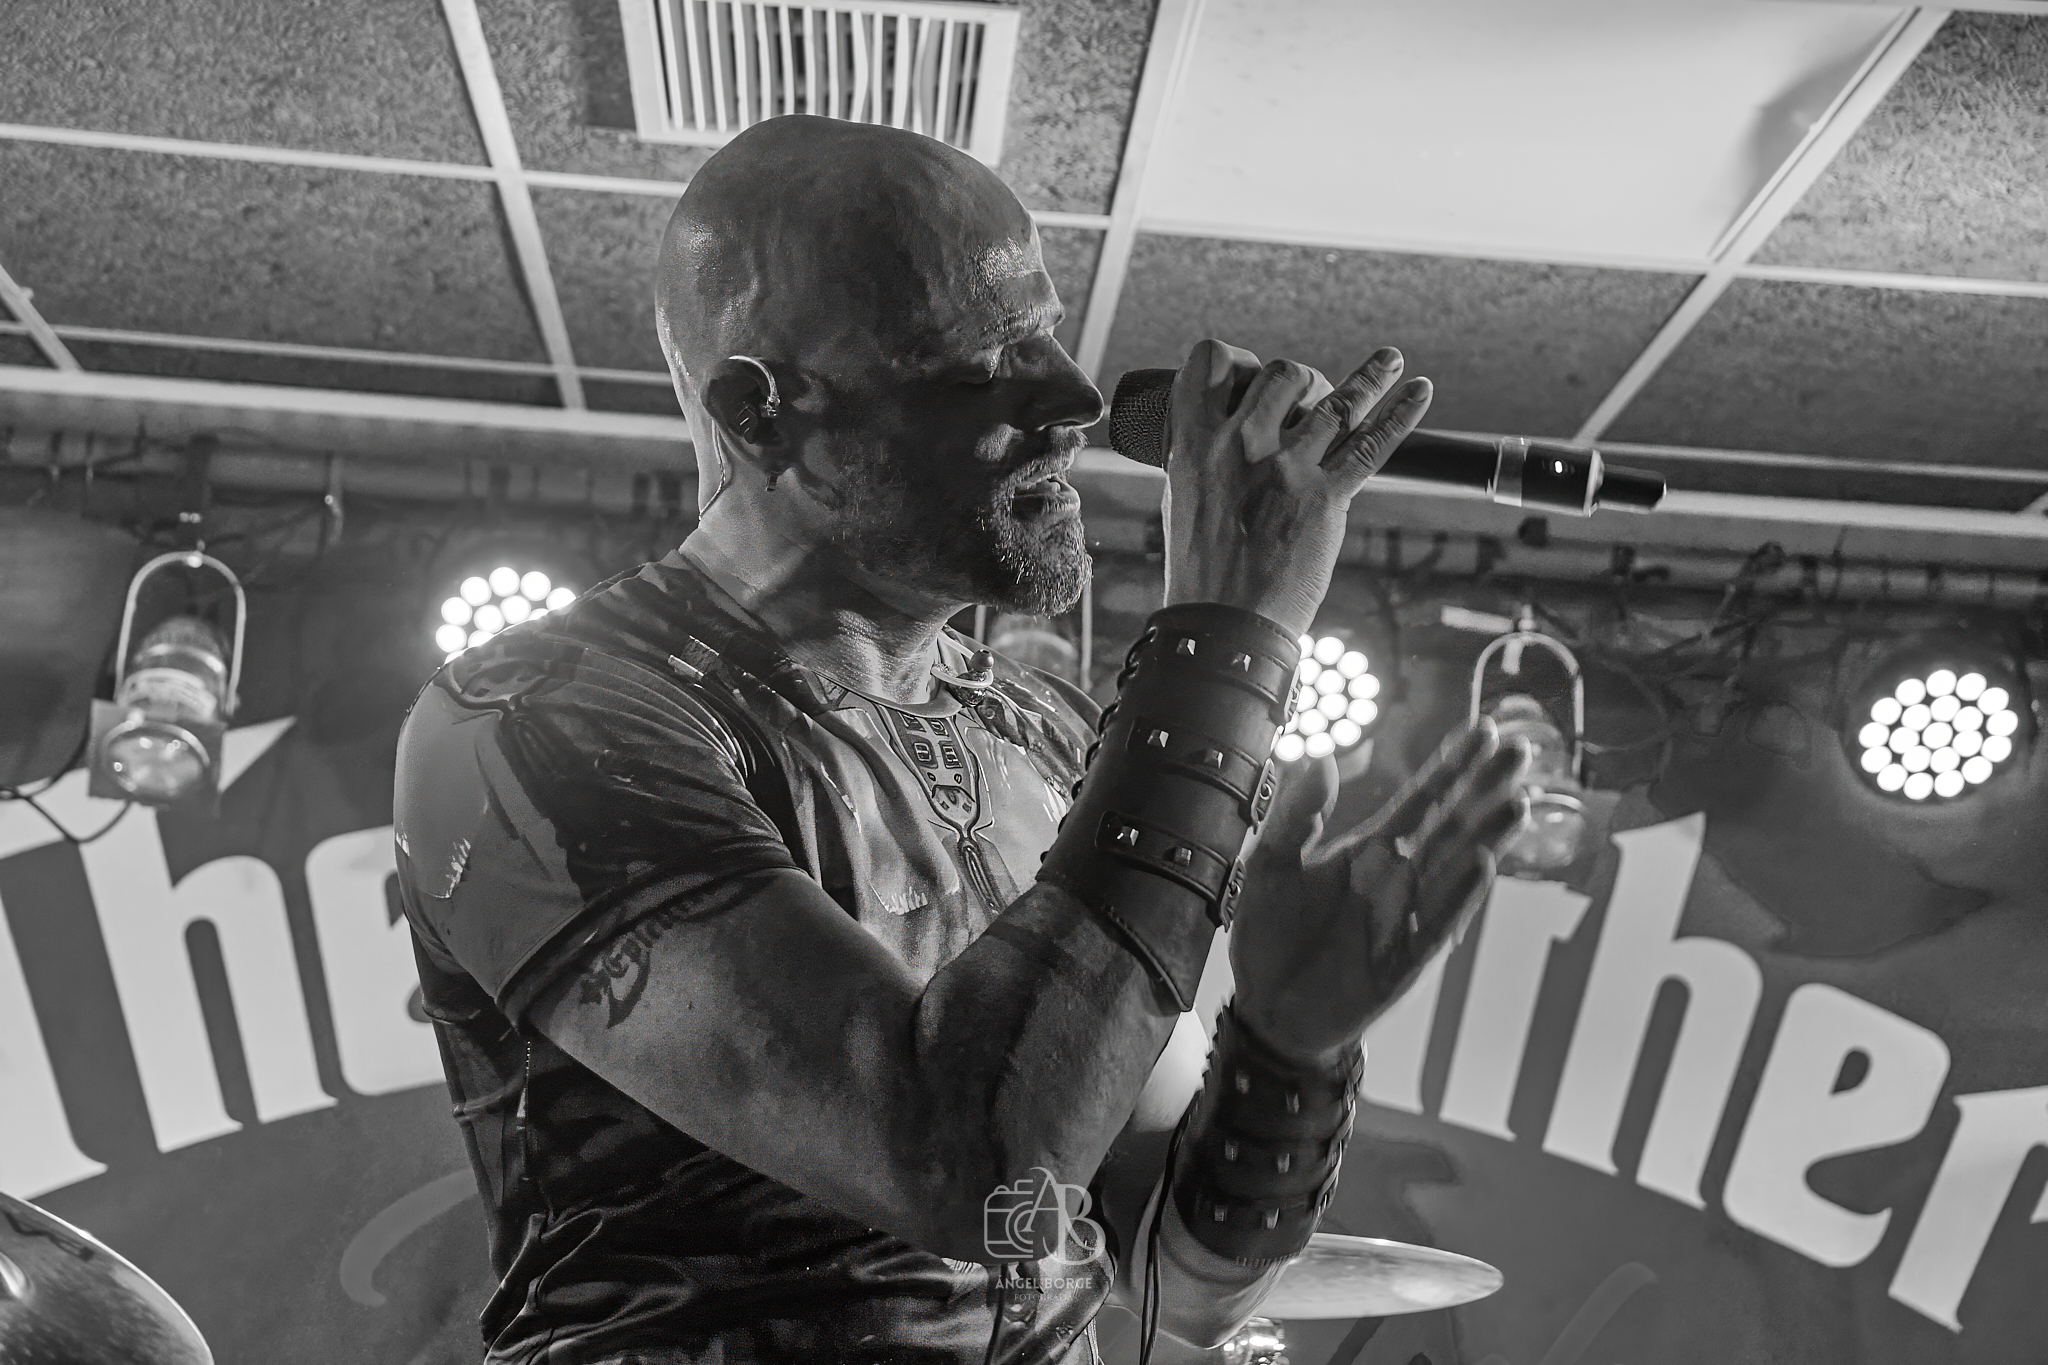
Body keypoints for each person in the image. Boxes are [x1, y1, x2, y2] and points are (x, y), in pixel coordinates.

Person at [391, 115, 1527, 1365]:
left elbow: (1171, 1279)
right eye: (987, 358)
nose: (1075, 401)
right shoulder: (546, 718)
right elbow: (964, 1169)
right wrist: (1225, 639)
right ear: (758, 412)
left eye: (1048, 331)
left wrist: (1287, 1049)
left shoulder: (1046, 735)